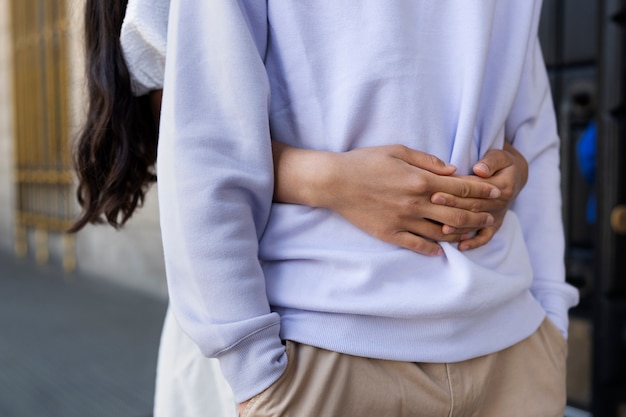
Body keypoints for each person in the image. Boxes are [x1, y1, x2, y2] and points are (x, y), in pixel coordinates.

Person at [72, 1, 540, 417]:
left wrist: (510, 170)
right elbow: (187, 123)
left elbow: (520, 105)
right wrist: (330, 180)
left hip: (496, 329)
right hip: (290, 329)